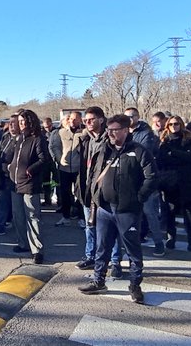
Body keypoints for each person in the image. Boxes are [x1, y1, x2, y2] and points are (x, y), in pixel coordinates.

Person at [77, 114, 156, 304]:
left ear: (126, 130)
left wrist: (138, 199)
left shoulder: (139, 151)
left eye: (115, 130)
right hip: (105, 208)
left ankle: (135, 285)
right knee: (101, 247)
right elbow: (94, 174)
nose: (111, 134)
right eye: (109, 130)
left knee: (133, 250)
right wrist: (94, 197)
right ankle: (98, 281)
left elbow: (151, 177)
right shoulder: (105, 150)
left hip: (128, 210)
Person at [5, 109, 52, 264]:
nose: (22, 124)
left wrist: (30, 170)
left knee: (33, 217)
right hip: (15, 183)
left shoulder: (38, 138)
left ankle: (37, 250)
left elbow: (44, 159)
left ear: (31, 121)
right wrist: (10, 167)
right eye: (20, 121)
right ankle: (23, 243)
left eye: (24, 121)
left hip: (30, 183)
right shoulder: (18, 139)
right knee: (18, 216)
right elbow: (12, 158)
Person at [157, 115, 191, 252]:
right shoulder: (164, 141)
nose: (173, 126)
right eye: (171, 124)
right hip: (170, 183)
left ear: (181, 124)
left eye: (176, 124)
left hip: (188, 182)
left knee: (189, 214)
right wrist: (175, 155)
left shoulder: (189, 140)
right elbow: (161, 160)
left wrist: (174, 153)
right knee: (170, 213)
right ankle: (171, 238)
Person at [124, 107, 164, 256]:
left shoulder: (146, 133)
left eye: (131, 116)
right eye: (126, 116)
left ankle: (159, 243)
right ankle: (131, 246)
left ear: (138, 117)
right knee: (129, 214)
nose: (129, 119)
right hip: (128, 179)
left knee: (150, 212)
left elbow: (141, 152)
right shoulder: (123, 131)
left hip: (144, 178)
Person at [74, 106, 106, 270]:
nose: (87, 122)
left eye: (91, 119)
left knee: (107, 229)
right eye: (85, 120)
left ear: (101, 120)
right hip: (87, 189)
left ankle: (114, 261)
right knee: (89, 225)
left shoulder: (108, 140)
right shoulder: (86, 140)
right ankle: (90, 256)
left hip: (104, 191)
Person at [50, 111, 83, 227]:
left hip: (78, 168)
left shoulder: (84, 133)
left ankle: (81, 217)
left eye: (75, 119)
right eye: (71, 119)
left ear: (80, 120)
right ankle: (65, 216)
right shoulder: (61, 132)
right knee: (64, 192)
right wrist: (60, 159)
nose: (72, 121)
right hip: (64, 168)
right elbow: (55, 146)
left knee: (79, 193)